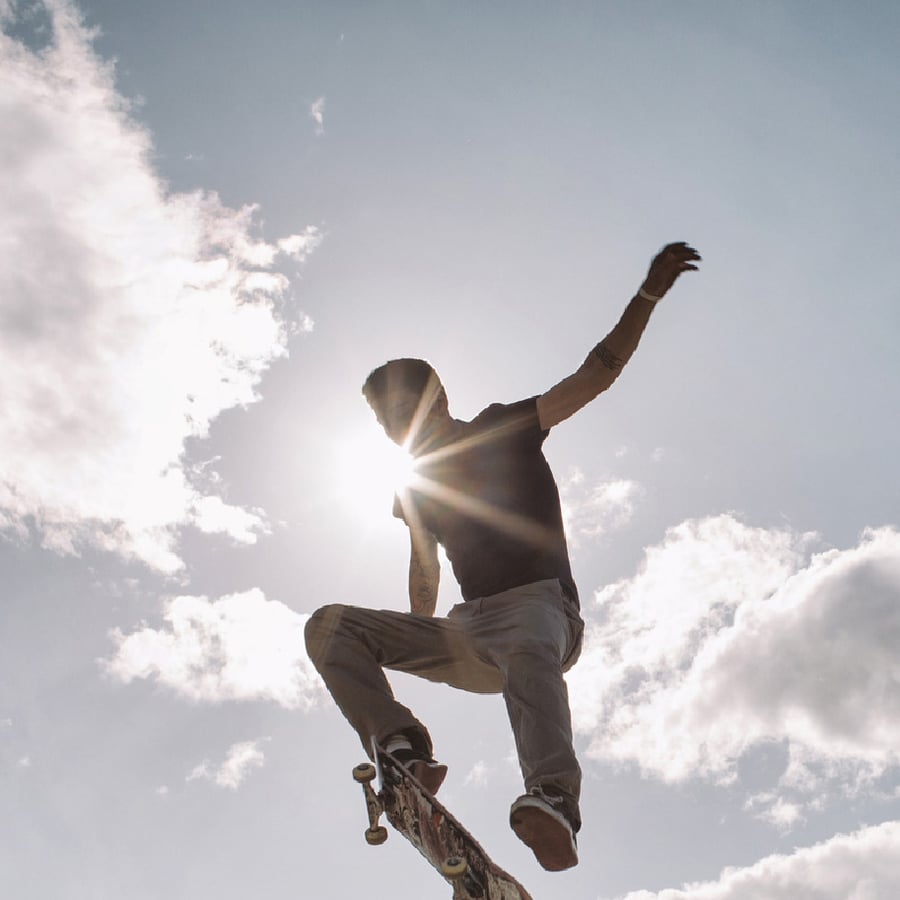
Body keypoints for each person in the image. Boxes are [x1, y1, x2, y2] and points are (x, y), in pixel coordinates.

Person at [305, 241, 701, 871]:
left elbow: (594, 375)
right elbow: (423, 566)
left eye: (401, 411)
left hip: (541, 612)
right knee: (329, 626)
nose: (394, 428)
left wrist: (647, 296)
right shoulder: (413, 486)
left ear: (435, 399)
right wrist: (421, 634)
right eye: (384, 421)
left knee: (523, 641)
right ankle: (401, 744)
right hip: (467, 629)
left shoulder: (502, 426)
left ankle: (554, 800)